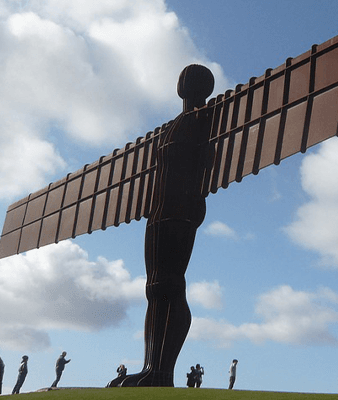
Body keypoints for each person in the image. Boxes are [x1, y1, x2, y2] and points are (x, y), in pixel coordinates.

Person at [118, 64, 214, 388]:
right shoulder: (173, 125)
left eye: (190, 77)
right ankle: (150, 366)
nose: (183, 81)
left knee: (171, 284)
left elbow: (208, 161)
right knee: (154, 288)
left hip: (182, 209)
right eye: (182, 76)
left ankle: (163, 371)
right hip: (158, 211)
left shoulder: (205, 119)